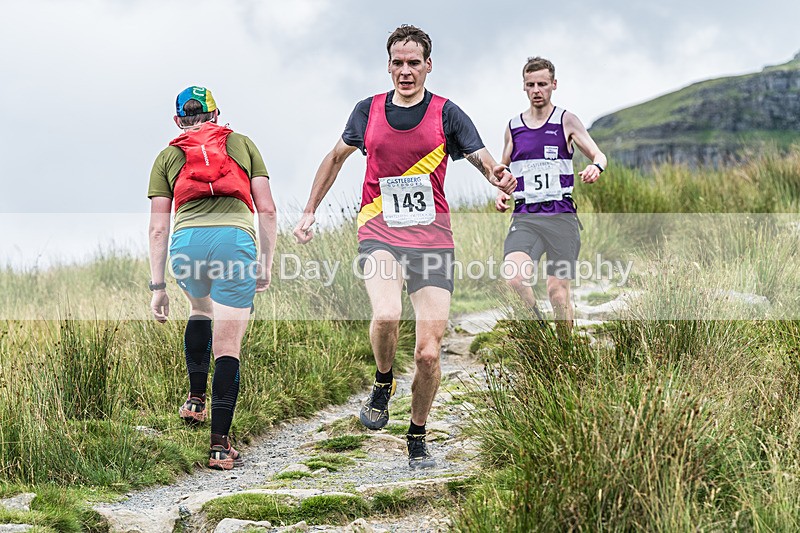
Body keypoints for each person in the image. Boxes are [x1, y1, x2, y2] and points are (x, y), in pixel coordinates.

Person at [293, 25, 516, 469]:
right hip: (379, 232)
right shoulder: (368, 111)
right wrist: (309, 210)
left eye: (414, 63)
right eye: (398, 62)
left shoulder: (447, 114)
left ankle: (417, 436)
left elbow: (482, 157)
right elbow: (335, 158)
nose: (406, 71)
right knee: (386, 314)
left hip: (433, 239)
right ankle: (382, 383)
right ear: (388, 64)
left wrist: (498, 175)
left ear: (428, 65)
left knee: (429, 353)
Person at [147, 86, 277, 470]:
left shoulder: (168, 155)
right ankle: (220, 447)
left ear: (178, 122)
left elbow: (158, 228)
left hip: (186, 244)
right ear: (216, 116)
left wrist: (158, 287)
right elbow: (266, 210)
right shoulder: (241, 144)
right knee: (228, 346)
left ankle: (195, 399)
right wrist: (265, 262)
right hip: (234, 243)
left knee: (199, 309)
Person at [496, 57, 607, 336]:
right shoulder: (513, 126)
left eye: (542, 84)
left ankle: (565, 350)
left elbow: (598, 154)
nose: (536, 90)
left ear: (553, 85)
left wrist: (596, 166)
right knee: (515, 278)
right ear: (523, 86)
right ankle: (539, 333)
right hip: (526, 217)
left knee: (558, 293)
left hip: (561, 216)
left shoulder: (565, 120)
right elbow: (503, 169)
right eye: (530, 84)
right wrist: (500, 192)